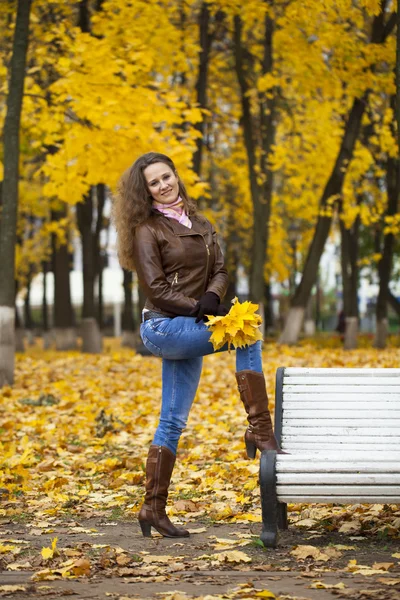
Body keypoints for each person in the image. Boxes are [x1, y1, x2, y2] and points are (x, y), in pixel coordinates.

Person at [113, 152, 282, 539]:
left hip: (191, 323)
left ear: (176, 176)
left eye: (166, 177)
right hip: (163, 327)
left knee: (172, 419)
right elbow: (155, 289)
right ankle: (259, 429)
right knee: (248, 329)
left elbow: (220, 269)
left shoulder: (201, 222)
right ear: (146, 191)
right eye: (153, 182)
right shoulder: (147, 229)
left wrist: (211, 297)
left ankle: (152, 508)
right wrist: (200, 308)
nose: (162, 185)